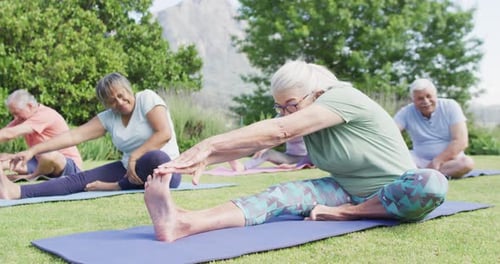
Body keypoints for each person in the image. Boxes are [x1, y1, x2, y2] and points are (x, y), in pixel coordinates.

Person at [142, 60, 449, 242]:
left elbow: (280, 131)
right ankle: (185, 221)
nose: (286, 113)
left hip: (393, 195)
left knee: (432, 183)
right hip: (344, 188)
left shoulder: (343, 97)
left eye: (291, 105)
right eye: (279, 107)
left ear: (316, 93)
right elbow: (257, 142)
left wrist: (207, 144)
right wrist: (189, 162)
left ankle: (345, 214)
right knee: (278, 195)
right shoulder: (299, 112)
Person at [0, 72, 181, 200]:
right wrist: (33, 151)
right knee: (79, 179)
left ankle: (116, 186)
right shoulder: (109, 117)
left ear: (128, 89)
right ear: (105, 104)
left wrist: (135, 156)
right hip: (129, 169)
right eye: (111, 100)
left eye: (121, 95)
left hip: (165, 170)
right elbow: (73, 136)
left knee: (155, 157)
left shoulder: (146, 98)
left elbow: (164, 133)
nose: (118, 102)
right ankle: (16, 192)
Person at [394, 78, 474, 179]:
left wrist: (437, 161)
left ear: (435, 95)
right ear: (413, 100)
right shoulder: (406, 112)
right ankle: (429, 174)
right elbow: (391, 132)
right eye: (420, 98)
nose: (426, 101)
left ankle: (421, 175)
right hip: (418, 160)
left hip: (448, 161)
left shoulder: (451, 106)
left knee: (467, 163)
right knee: (396, 160)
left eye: (429, 96)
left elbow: (461, 141)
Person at [0, 89, 83, 182]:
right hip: (38, 161)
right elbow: (5, 133)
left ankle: (32, 176)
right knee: (2, 158)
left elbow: (10, 134)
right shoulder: (23, 118)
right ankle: (35, 173)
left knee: (48, 155)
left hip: (66, 163)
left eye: (17, 113)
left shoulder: (45, 114)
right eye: (13, 114)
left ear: (30, 106)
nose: (15, 117)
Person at [228, 136, 313, 171]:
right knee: (267, 153)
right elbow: (273, 134)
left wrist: (295, 166)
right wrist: (264, 147)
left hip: (304, 158)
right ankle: (243, 167)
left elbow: (286, 135)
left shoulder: (305, 123)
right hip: (289, 157)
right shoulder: (282, 116)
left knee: (266, 150)